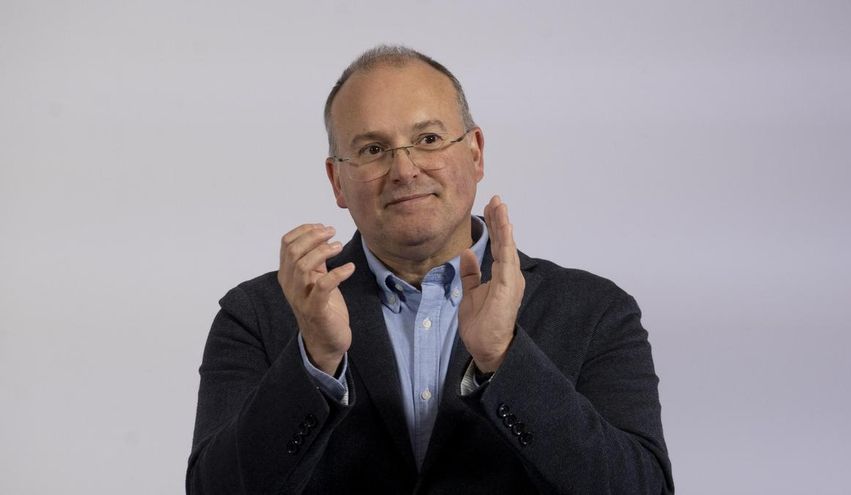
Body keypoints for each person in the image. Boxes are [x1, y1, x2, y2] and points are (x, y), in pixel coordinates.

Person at [186, 45, 674, 494]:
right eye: (373, 149)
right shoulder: (258, 313)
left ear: (475, 152)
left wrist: (505, 359)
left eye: (428, 138)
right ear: (337, 180)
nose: (404, 170)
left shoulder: (595, 311)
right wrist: (316, 359)